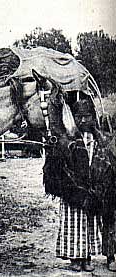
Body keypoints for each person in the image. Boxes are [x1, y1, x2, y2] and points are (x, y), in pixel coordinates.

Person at [53, 100, 103, 272]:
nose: (82, 121)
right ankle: (74, 258)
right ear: (73, 118)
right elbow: (59, 167)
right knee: (72, 223)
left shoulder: (97, 139)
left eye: (86, 116)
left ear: (92, 117)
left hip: (90, 189)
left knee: (89, 224)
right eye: (78, 117)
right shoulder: (67, 139)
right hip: (72, 190)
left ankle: (87, 257)